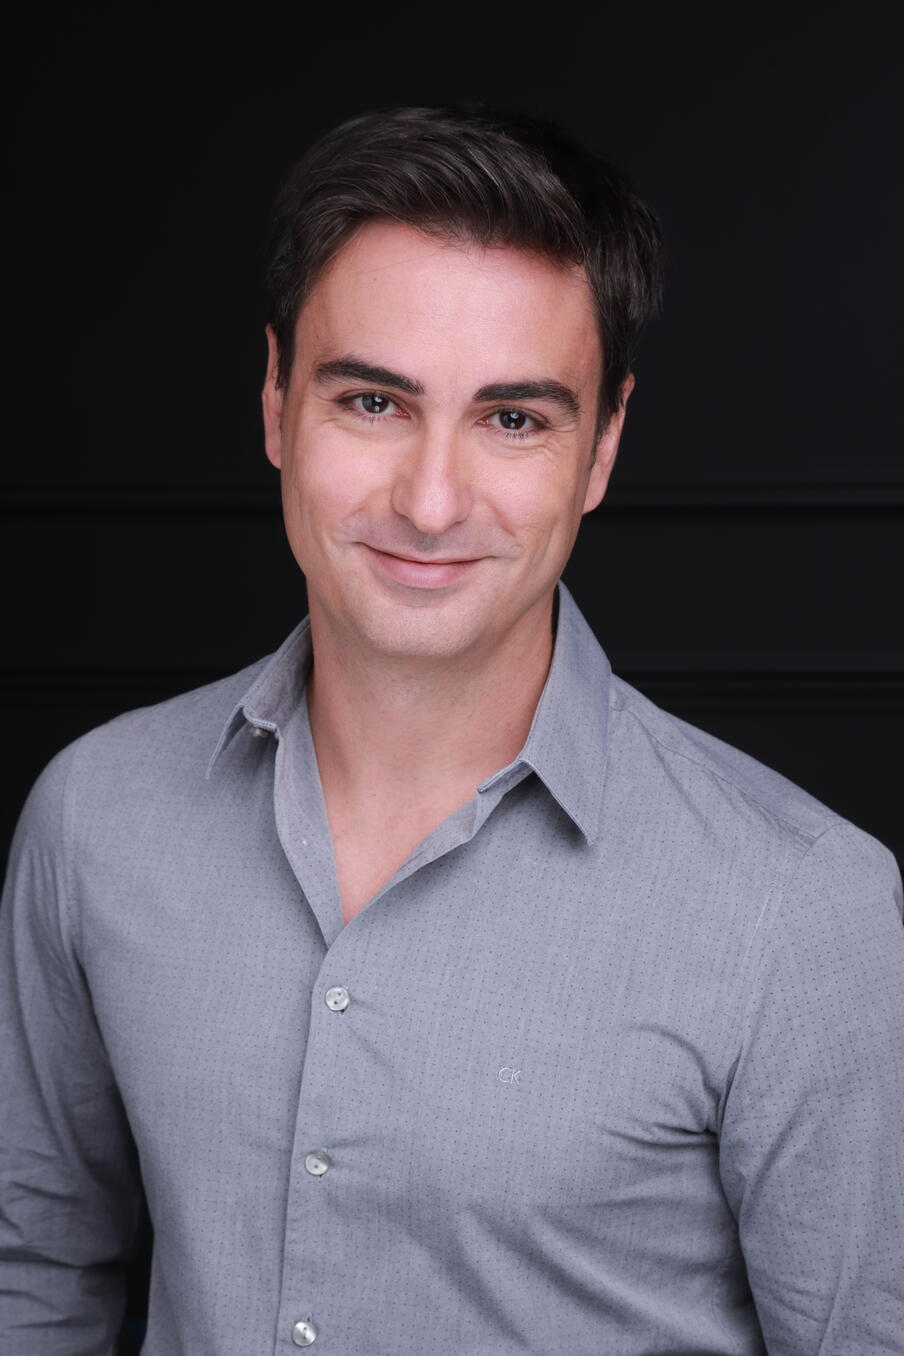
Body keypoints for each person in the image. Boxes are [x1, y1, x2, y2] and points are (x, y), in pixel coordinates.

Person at [1, 104, 902, 1356]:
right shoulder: (94, 816)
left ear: (602, 447)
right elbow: (34, 1281)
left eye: (513, 419)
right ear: (275, 400)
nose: (430, 502)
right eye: (373, 402)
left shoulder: (800, 909)